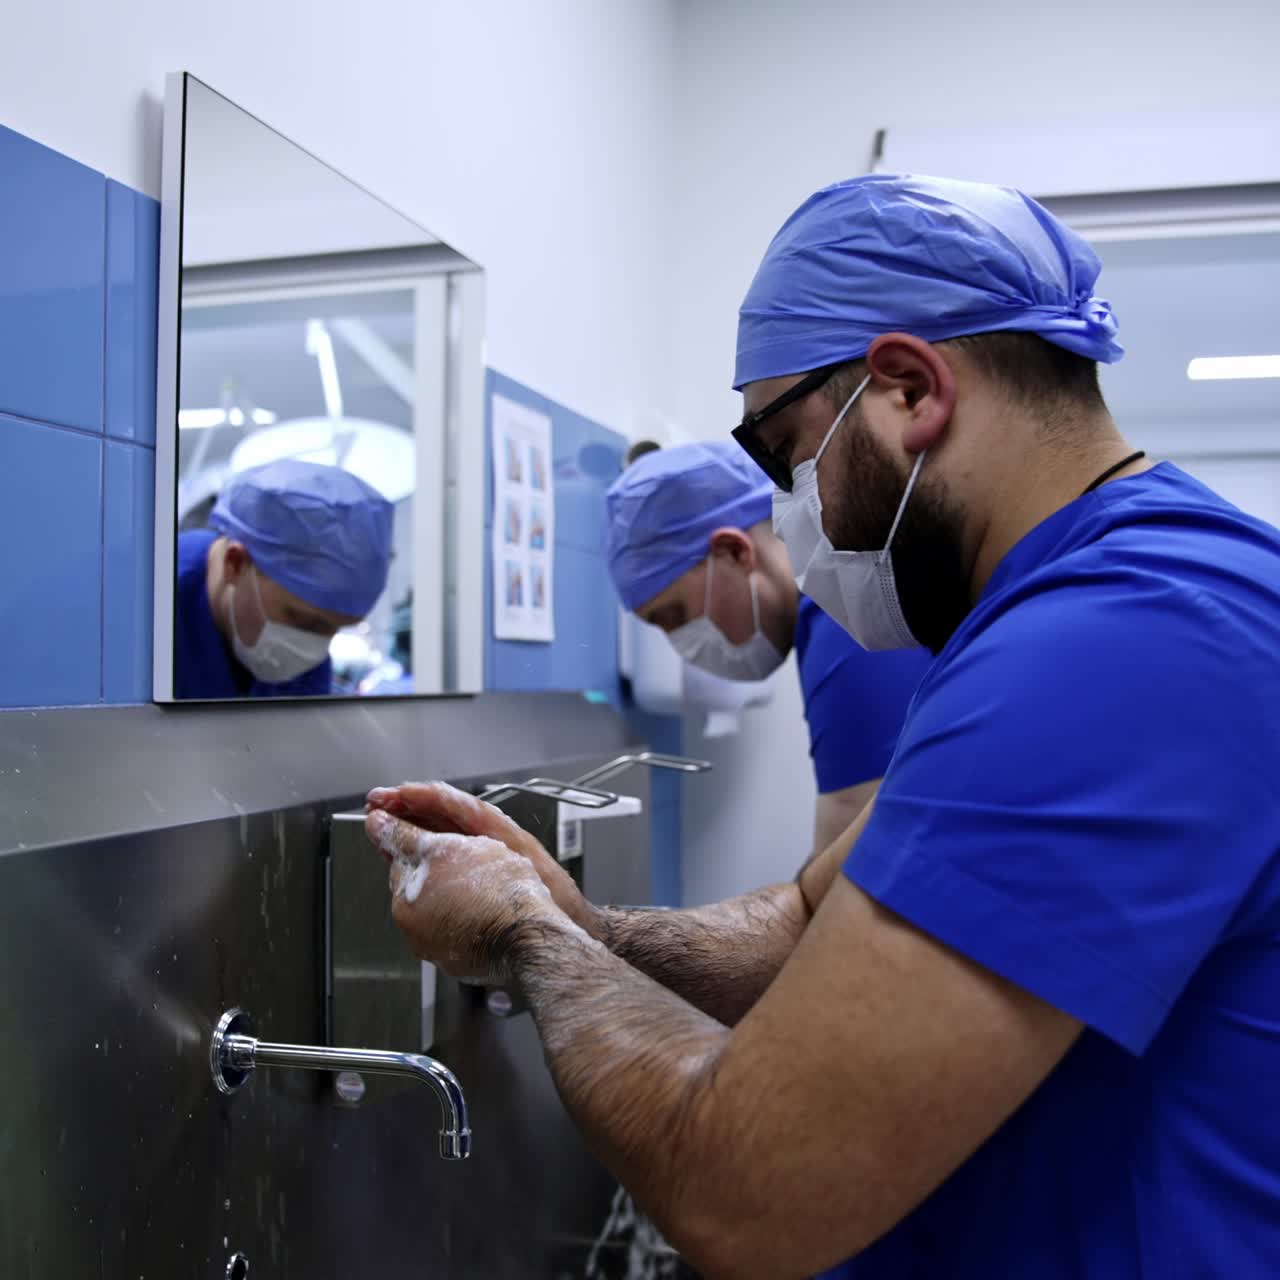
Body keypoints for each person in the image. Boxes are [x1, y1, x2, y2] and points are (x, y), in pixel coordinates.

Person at [365, 174, 1280, 1278]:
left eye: (777, 451)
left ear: (905, 389)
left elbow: (740, 1189)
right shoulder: (1070, 603)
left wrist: (526, 933)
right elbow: (811, 915)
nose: (783, 505)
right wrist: (589, 922)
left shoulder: (1113, 644)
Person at [606, 440, 930, 849]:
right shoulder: (842, 597)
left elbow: (850, 869)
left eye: (675, 618)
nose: (683, 648)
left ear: (734, 552)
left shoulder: (850, 620)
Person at [175, 459, 393, 699]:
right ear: (235, 564)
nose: (311, 648)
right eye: (303, 620)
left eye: (335, 629)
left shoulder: (304, 652)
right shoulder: (152, 608)